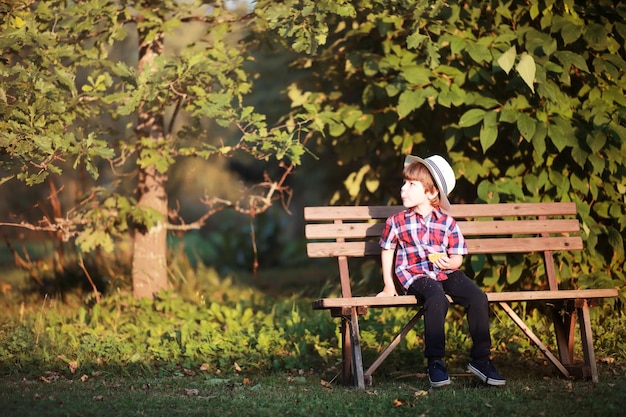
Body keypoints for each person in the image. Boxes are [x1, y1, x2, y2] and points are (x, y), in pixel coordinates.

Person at [376, 154, 505, 388]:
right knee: (436, 298)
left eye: (411, 184)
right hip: (415, 275)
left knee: (478, 297)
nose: (403, 188)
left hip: (444, 272)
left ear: (432, 193)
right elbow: (387, 250)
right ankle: (435, 362)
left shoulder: (447, 222)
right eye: (405, 183)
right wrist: (388, 286)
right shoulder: (397, 221)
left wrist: (451, 263)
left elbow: (457, 256)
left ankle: (482, 360)